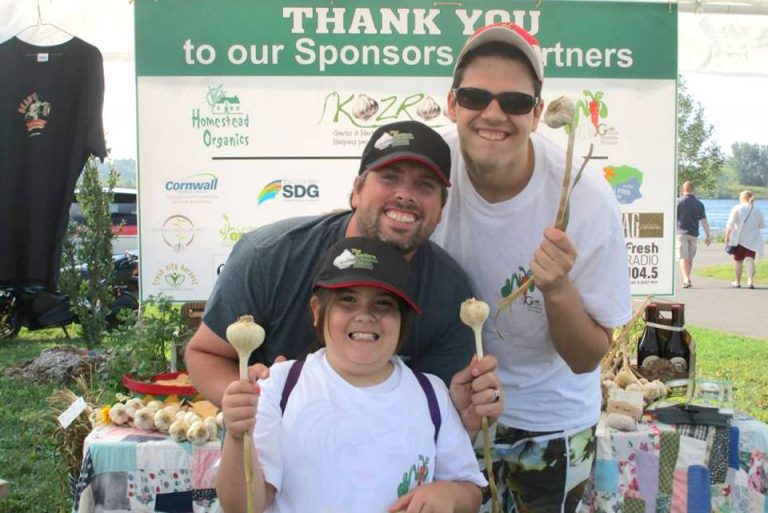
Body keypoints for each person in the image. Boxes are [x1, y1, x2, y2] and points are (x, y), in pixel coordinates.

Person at [185, 119, 502, 434]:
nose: (405, 195)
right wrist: (256, 400)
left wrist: (462, 412)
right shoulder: (269, 256)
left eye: (425, 185)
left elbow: (436, 417)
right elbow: (205, 353)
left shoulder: (449, 292)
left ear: (441, 208)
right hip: (273, 458)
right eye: (390, 178)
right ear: (356, 191)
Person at [430, 22, 632, 512]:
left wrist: (558, 288)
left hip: (551, 421)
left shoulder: (585, 201)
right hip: (451, 411)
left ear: (538, 114)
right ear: (453, 103)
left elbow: (588, 358)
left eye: (515, 101)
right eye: (476, 96)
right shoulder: (427, 170)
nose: (494, 113)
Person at [215, 237, 487, 513]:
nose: (365, 316)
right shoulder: (279, 386)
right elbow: (241, 506)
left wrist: (448, 495)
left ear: (403, 320)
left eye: (383, 304)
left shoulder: (432, 393)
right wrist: (238, 439)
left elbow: (470, 490)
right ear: (317, 311)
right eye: (347, 300)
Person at [725, 190, 765, 288]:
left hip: (738, 239)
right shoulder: (757, 210)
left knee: (738, 261)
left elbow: (730, 224)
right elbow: (761, 225)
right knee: (750, 260)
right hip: (752, 240)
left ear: (742, 198)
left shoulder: (737, 208)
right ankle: (750, 282)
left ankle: (737, 282)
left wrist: (726, 237)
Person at [676, 181, 711, 288]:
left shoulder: (677, 202)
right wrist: (708, 235)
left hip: (680, 233)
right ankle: (687, 278)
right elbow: (704, 221)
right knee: (689, 259)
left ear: (683, 189)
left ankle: (686, 278)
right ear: (693, 190)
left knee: (683, 257)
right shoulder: (699, 204)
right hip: (694, 234)